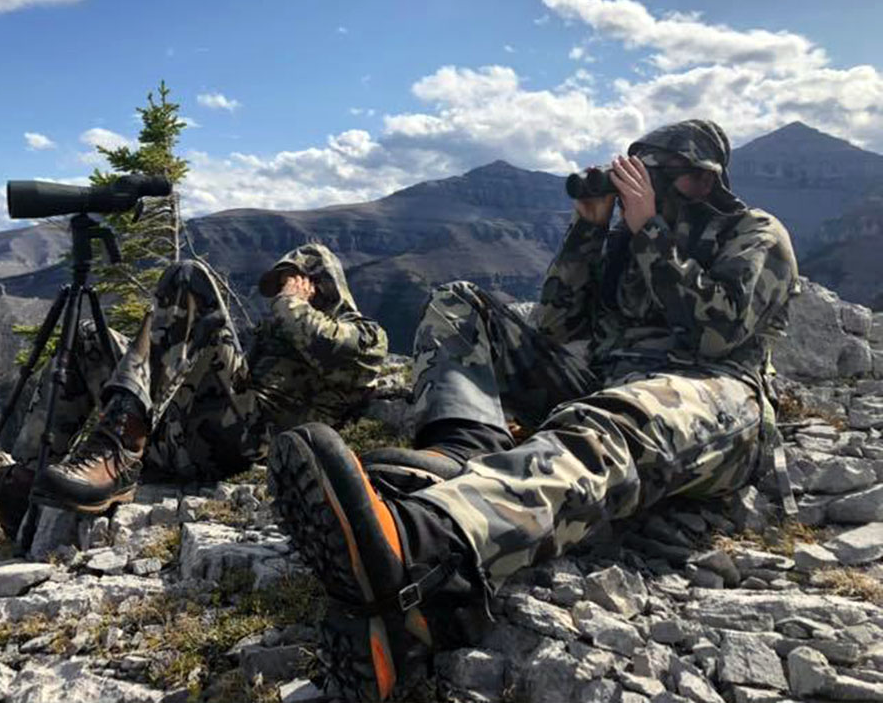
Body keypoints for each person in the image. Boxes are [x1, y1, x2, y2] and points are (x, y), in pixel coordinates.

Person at [267, 120, 800, 701]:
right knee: (459, 304)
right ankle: (460, 454)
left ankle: (428, 546)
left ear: (698, 180)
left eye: (652, 177)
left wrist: (648, 231)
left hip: (715, 393)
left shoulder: (754, 233)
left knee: (607, 424)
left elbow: (717, 334)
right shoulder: (626, 239)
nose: (633, 189)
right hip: (609, 377)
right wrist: (590, 233)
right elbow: (555, 323)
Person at [0, 243, 388, 535]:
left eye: (291, 281)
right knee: (88, 338)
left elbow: (324, 345)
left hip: (253, 445)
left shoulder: (367, 337)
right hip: (194, 438)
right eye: (281, 285)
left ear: (321, 284)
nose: (281, 292)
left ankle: (121, 452)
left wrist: (291, 303)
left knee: (189, 277)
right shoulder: (282, 324)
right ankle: (29, 481)